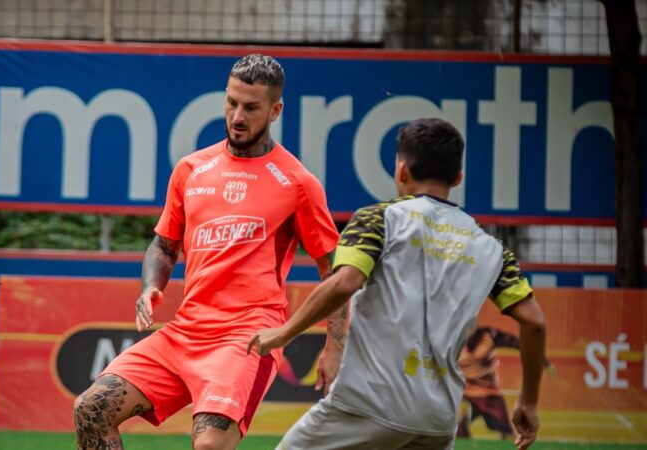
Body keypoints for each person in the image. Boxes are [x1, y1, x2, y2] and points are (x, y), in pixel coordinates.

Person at [73, 54, 341, 450]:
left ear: (275, 110)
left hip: (247, 337)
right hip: (184, 332)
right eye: (231, 102)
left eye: (251, 107)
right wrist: (150, 286)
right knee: (91, 409)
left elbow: (334, 271)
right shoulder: (191, 169)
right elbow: (163, 245)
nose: (237, 115)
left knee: (210, 445)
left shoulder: (298, 182)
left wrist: (335, 346)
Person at [248, 118, 547, 450]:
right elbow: (534, 322)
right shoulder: (491, 248)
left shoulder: (378, 219)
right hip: (438, 417)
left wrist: (283, 332)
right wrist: (528, 403)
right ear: (457, 178)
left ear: (401, 170)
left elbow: (345, 282)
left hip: (369, 403)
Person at [457, 326, 554, 440]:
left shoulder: (490, 335)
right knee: (457, 426)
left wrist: (543, 360)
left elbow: (518, 343)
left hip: (489, 395)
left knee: (507, 436)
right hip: (463, 393)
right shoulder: (450, 339)